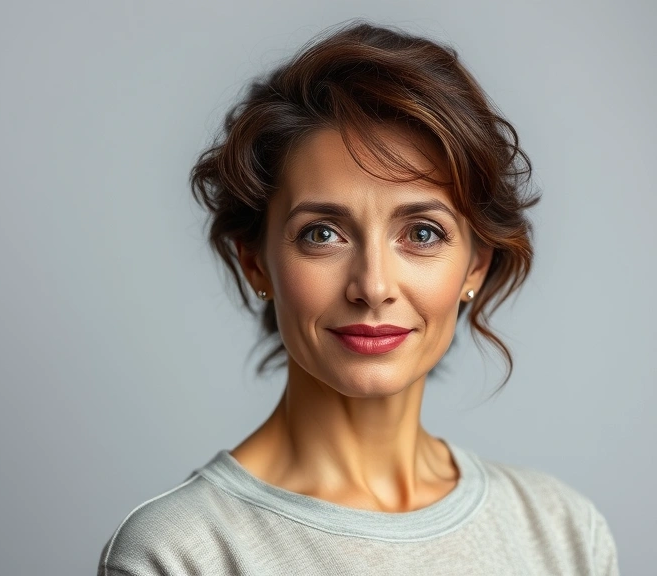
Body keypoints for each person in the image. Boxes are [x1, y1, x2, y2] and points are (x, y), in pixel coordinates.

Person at [98, 20, 619, 576]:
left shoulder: (562, 534)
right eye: (322, 233)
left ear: (476, 264)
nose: (373, 286)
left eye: (422, 233)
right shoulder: (179, 554)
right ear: (256, 261)